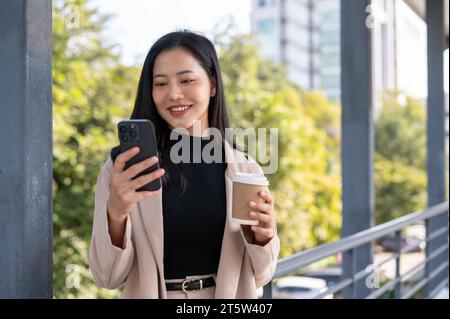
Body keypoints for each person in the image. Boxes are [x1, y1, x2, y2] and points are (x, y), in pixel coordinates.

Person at [88, 30, 280, 299]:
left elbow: (262, 274)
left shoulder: (246, 171)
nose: (174, 94)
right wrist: (116, 212)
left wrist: (265, 236)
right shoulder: (125, 168)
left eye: (187, 80)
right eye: (161, 83)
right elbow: (106, 276)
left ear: (212, 84)